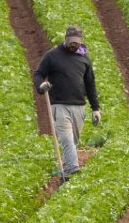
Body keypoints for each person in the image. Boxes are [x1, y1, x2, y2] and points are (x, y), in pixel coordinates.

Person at [32, 25, 103, 179]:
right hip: (59, 105)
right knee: (67, 139)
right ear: (65, 39)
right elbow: (39, 74)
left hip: (79, 106)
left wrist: (95, 108)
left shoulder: (84, 59)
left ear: (81, 41)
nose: (73, 44)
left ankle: (67, 173)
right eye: (71, 41)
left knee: (74, 140)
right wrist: (41, 85)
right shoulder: (52, 56)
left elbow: (90, 84)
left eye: (76, 42)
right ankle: (72, 170)